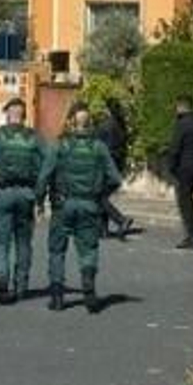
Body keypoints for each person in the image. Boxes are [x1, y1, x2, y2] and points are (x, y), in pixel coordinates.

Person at [37, 104, 122, 313]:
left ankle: (57, 297)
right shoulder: (99, 147)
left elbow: (44, 176)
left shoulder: (59, 145)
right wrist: (100, 195)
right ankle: (88, 287)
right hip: (89, 204)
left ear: (70, 122)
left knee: (57, 250)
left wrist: (39, 202)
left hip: (62, 205)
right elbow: (115, 179)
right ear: (89, 122)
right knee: (88, 249)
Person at [0, 98, 44, 304]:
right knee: (24, 241)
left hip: (2, 193)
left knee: (1, 241)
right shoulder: (35, 138)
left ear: (7, 114)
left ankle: (2, 281)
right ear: (24, 116)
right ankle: (21, 285)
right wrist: (41, 195)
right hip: (27, 194)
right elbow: (49, 163)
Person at [167, 94, 193, 249]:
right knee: (189, 198)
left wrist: (171, 167)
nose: (175, 110)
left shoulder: (182, 124)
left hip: (184, 167)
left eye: (176, 106)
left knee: (184, 202)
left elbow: (175, 148)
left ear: (180, 106)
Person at [95, 98, 137, 239]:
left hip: (106, 167)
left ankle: (121, 220)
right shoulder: (121, 125)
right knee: (102, 197)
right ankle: (103, 230)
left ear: (107, 109)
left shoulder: (105, 126)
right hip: (117, 167)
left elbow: (98, 147)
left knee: (99, 197)